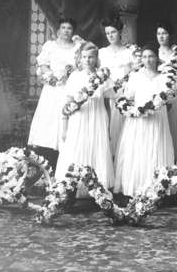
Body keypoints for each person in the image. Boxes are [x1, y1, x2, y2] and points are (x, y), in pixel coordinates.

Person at [114, 44, 174, 197]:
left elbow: (170, 101)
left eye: (151, 56)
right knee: (139, 149)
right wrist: (135, 110)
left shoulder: (164, 78)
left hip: (157, 120)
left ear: (157, 58)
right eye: (145, 57)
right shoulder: (135, 76)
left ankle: (157, 189)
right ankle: (135, 187)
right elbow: (127, 97)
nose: (148, 60)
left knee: (156, 147)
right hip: (138, 120)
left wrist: (157, 107)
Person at [55, 42, 114, 193]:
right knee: (77, 149)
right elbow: (67, 103)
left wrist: (108, 127)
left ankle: (96, 190)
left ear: (96, 59)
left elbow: (107, 104)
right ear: (80, 59)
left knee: (96, 148)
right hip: (79, 118)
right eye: (84, 57)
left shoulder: (103, 77)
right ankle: (73, 188)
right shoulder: (75, 77)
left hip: (97, 117)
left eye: (91, 57)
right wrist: (65, 126)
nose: (87, 60)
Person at [28, 17, 80, 167]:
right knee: (49, 121)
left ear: (73, 31)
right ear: (58, 30)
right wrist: (52, 78)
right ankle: (47, 159)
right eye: (63, 27)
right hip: (52, 88)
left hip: (69, 87)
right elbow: (43, 64)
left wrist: (69, 75)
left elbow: (80, 65)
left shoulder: (77, 47)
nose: (66, 31)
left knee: (67, 119)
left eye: (69, 28)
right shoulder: (50, 45)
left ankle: (64, 158)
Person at [98, 16, 134, 157]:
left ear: (120, 32)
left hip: (124, 96)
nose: (110, 36)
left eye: (113, 32)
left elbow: (135, 74)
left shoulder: (130, 52)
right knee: (108, 129)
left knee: (124, 133)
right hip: (107, 97)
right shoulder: (101, 53)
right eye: (107, 33)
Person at [156, 21, 177, 159]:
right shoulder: (153, 53)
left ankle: (174, 156)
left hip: (173, 92)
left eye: (164, 33)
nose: (161, 37)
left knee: (173, 125)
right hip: (157, 94)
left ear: (170, 35)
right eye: (159, 33)